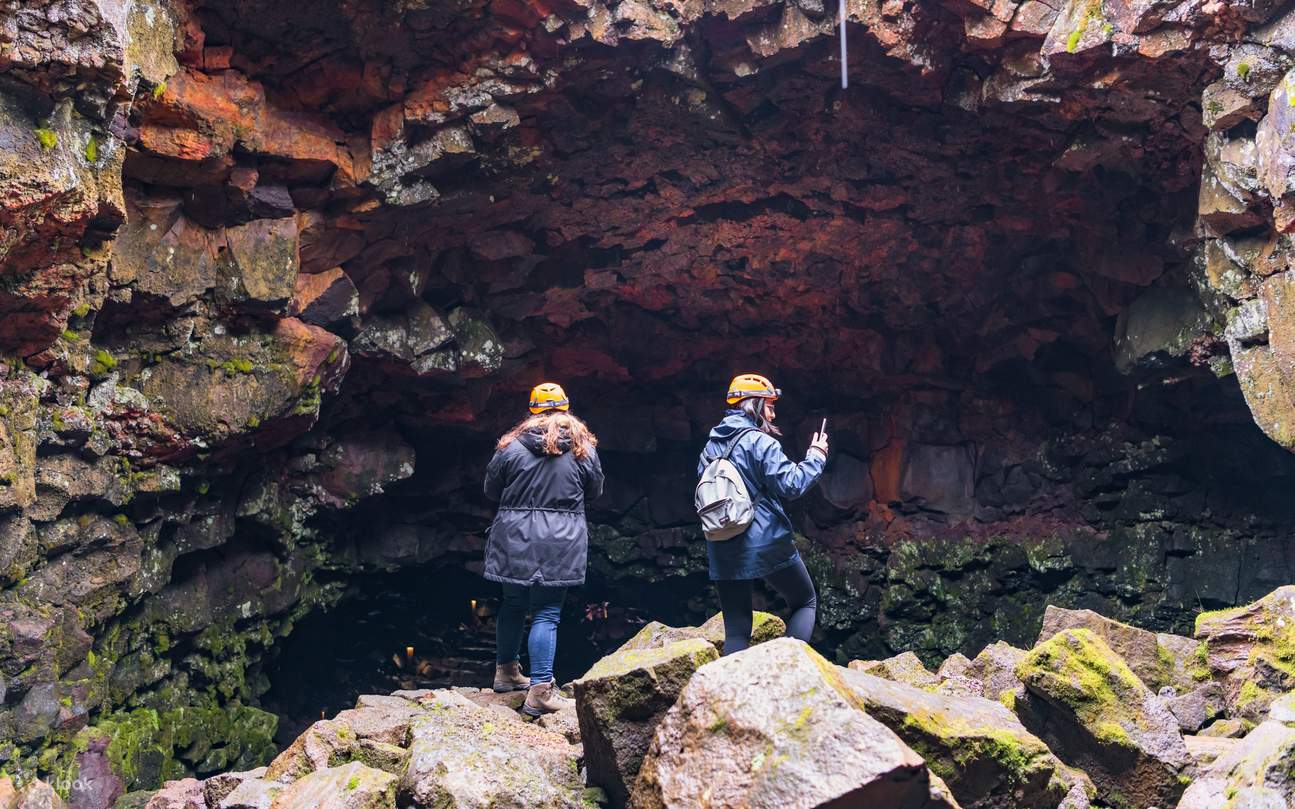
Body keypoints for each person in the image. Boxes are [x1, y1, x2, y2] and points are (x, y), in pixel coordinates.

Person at [483, 382, 604, 716]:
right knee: (547, 612)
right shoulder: (582, 448)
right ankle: (539, 691)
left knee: (513, 603)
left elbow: (491, 489)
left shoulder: (510, 446)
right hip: (560, 540)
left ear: (532, 411)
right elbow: (595, 491)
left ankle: (506, 672)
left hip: (514, 537)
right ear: (565, 409)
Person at [697, 373, 828, 655]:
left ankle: (729, 684)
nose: (773, 413)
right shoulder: (759, 442)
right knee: (805, 601)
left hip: (721, 542)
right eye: (769, 406)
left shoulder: (710, 447)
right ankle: (786, 669)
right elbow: (792, 484)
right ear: (754, 405)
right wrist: (816, 455)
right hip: (765, 541)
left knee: (737, 630)